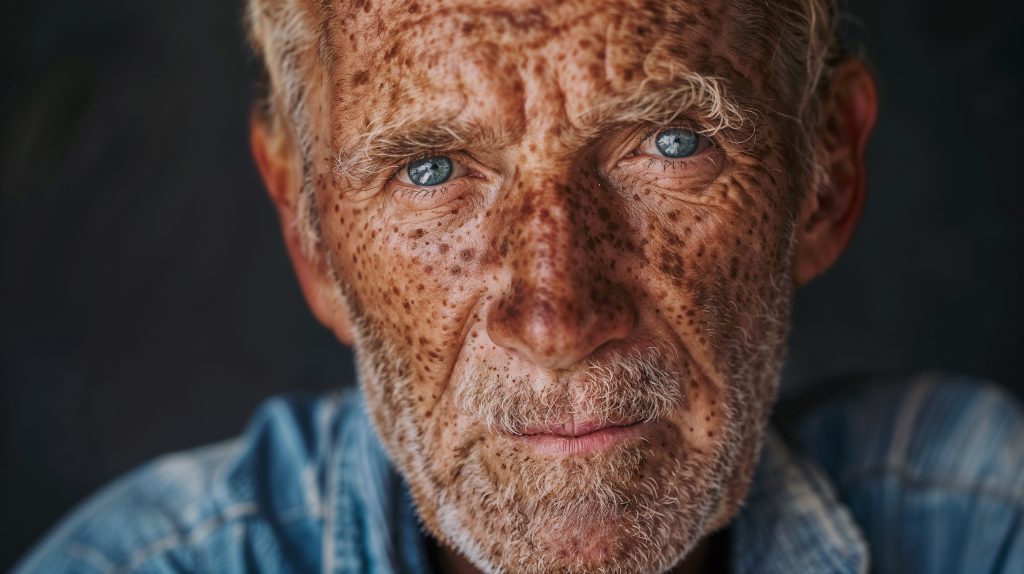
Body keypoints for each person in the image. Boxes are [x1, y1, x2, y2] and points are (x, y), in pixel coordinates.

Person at [14, 0, 1024, 572]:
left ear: (825, 177)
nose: (557, 317)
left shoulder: (979, 525)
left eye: (673, 144)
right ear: (307, 230)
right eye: (428, 170)